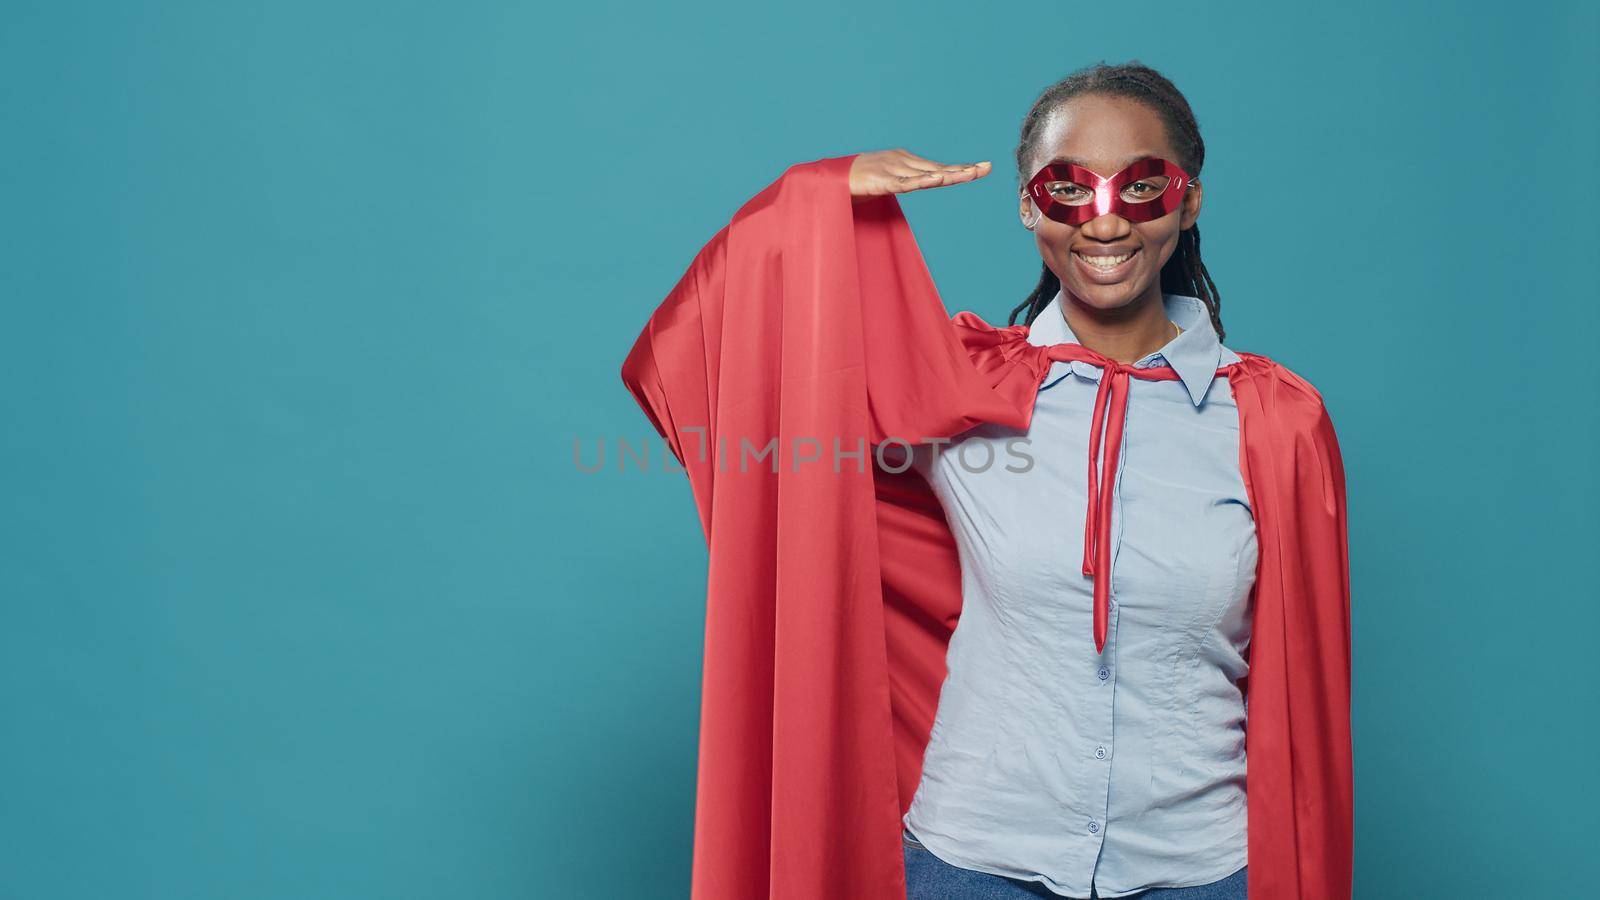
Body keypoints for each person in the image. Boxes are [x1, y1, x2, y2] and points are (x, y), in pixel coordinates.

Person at [620, 61, 1351, 900]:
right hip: (975, 866)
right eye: (1068, 190)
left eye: (1142, 187)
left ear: (1189, 202)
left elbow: (1306, 703)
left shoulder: (1275, 422)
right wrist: (811, 200)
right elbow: (724, 370)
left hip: (1199, 871)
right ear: (1028, 206)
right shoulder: (964, 389)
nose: (1104, 222)